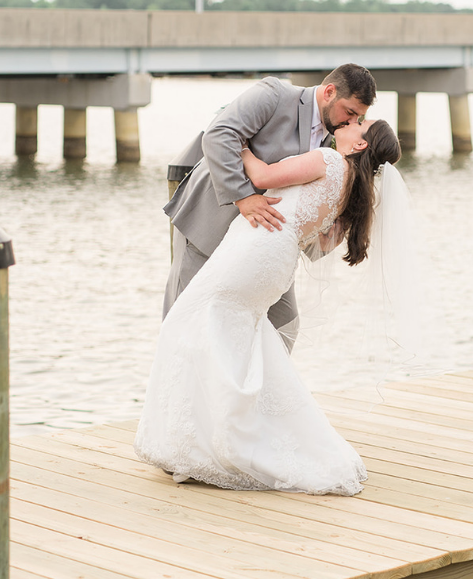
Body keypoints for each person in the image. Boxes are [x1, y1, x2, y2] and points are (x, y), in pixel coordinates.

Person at [134, 117, 404, 495]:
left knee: (186, 320)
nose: (350, 122)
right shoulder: (351, 189)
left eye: (360, 123)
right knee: (239, 336)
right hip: (274, 259)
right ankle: (213, 435)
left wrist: (238, 143)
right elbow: (319, 239)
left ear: (360, 145)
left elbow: (261, 176)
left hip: (257, 251)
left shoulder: (328, 161)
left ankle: (201, 441)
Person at [164, 63, 377, 349]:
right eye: (349, 112)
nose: (351, 122)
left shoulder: (335, 141)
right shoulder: (274, 94)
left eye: (358, 118)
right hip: (209, 226)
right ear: (329, 92)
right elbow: (218, 134)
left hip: (263, 243)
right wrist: (243, 196)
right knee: (186, 320)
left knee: (284, 325)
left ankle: (259, 392)